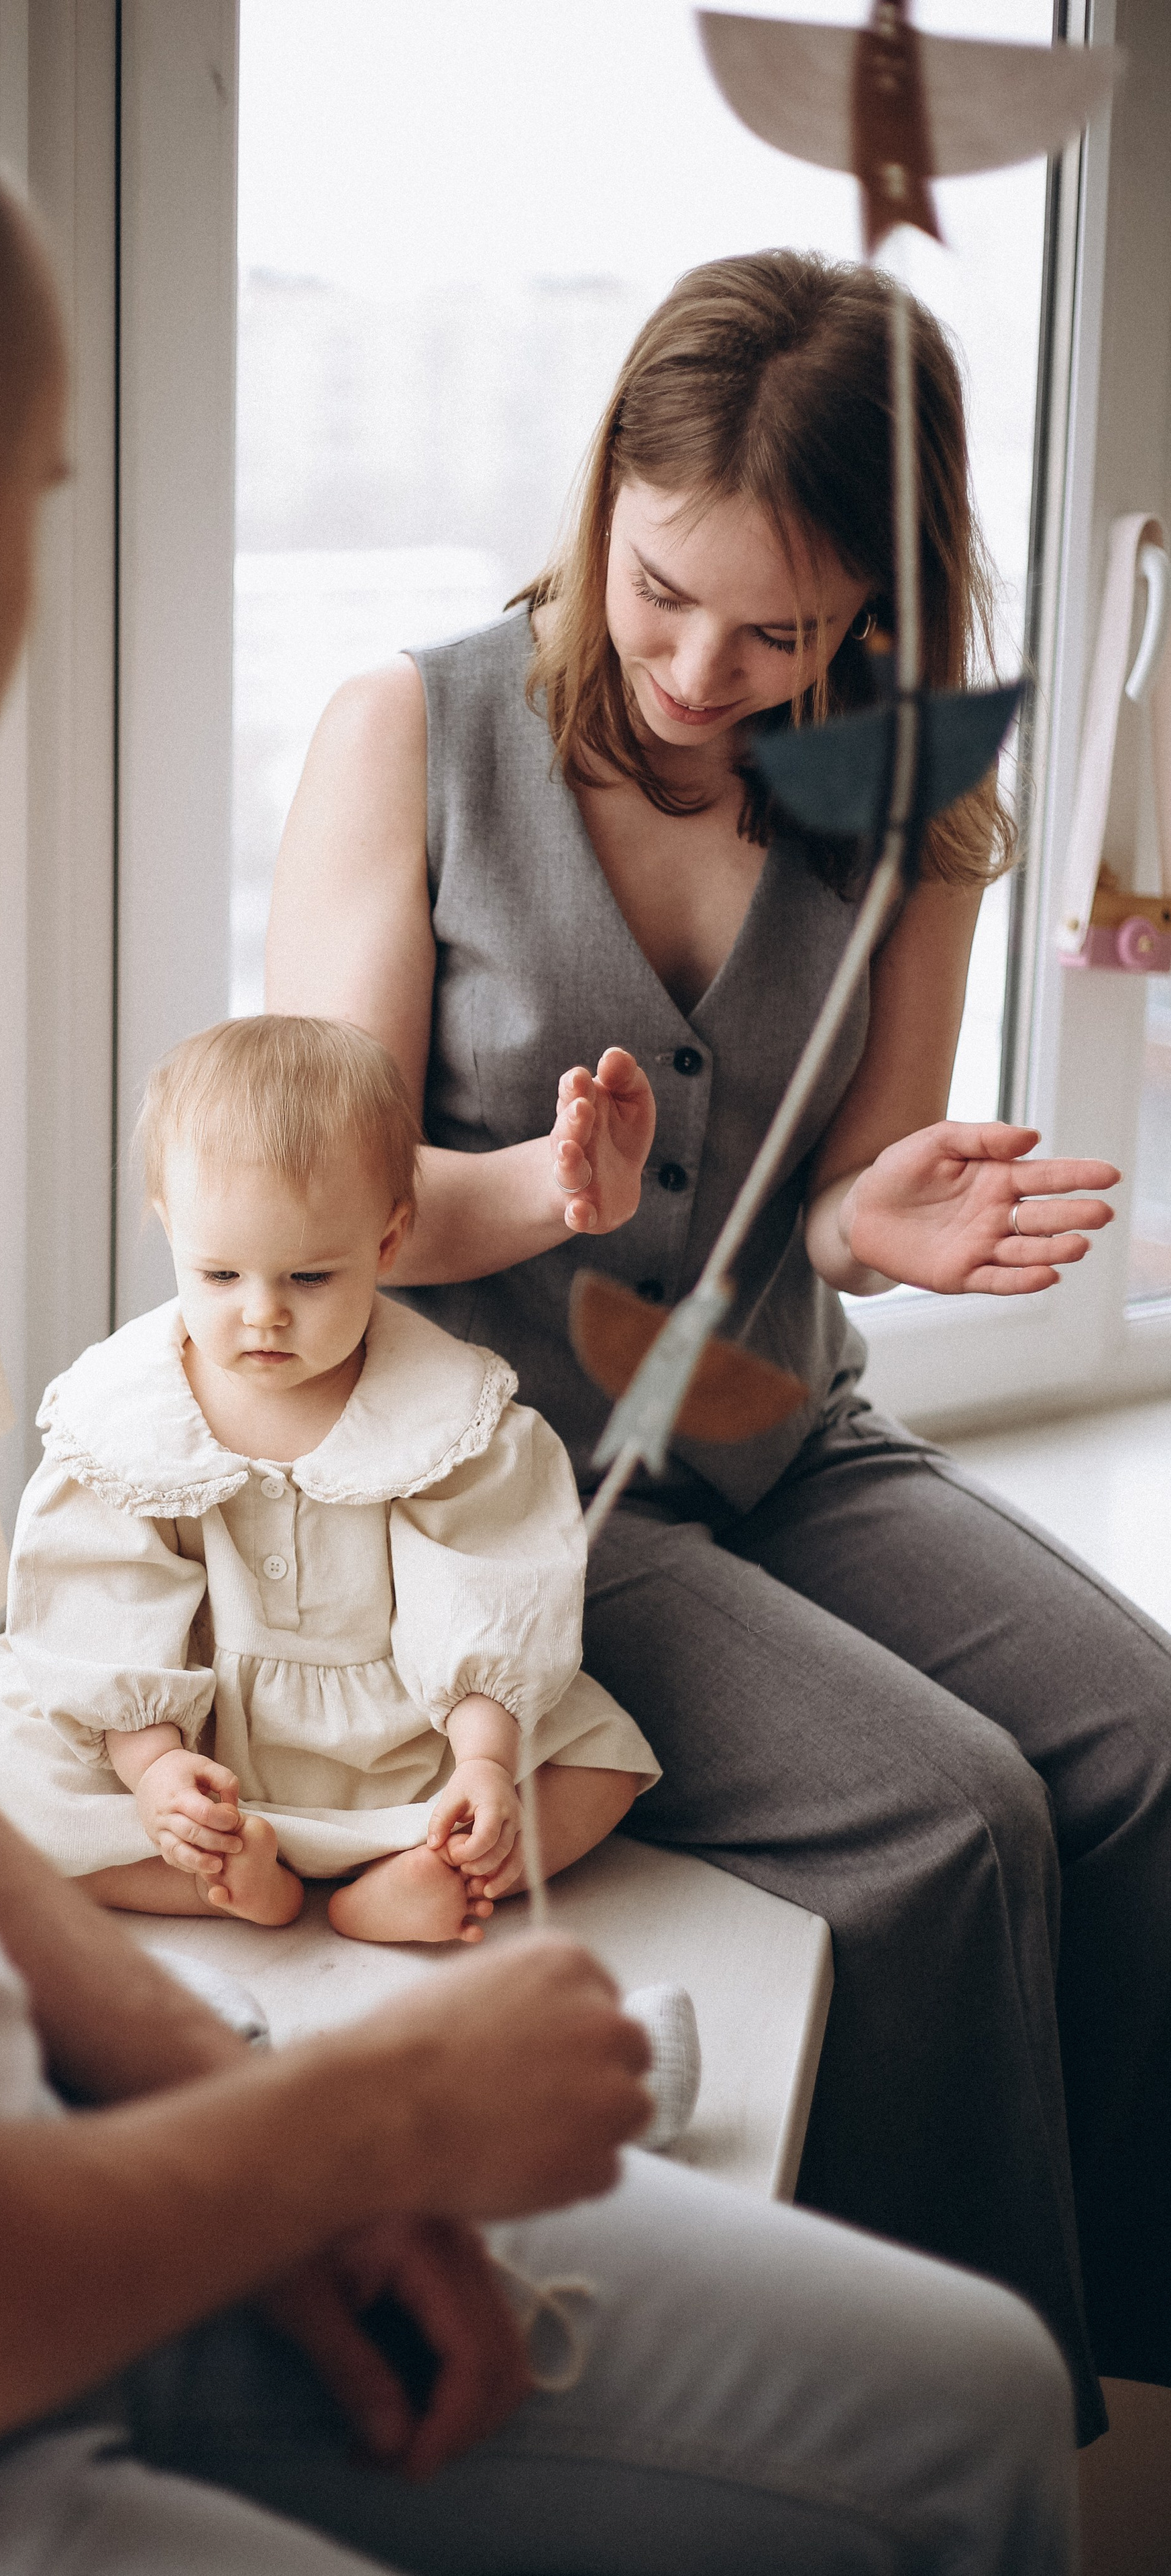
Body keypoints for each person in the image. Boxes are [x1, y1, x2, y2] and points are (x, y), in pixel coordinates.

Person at [0, 73, 1078, 2576]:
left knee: (970, 2408)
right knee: (943, 1932)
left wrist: (226, 2108)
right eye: (51, 507)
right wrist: (354, 2126)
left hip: (35, 2157)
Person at [265, 246, 1171, 2448]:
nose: (698, 669)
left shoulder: (918, 803)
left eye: (781, 633)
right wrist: (532, 1195)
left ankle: (1136, 2342)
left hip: (775, 1438)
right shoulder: (411, 733)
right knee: (954, 1825)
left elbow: (840, 1203)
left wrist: (882, 1222)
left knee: (1146, 1744)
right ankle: (950, 2426)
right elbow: (306, 1211)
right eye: (663, 590)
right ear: (603, 501)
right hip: (500, 1489)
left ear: (877, 608)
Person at [0, 1014, 658, 1945]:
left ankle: (415, 1875)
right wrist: (155, 1770)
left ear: (387, 1242)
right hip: (195, 1739)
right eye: (220, 1274)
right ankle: (224, 1875)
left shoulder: (442, 1411)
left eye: (311, 1278)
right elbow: (101, 1600)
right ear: (169, 1228)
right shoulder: (124, 1413)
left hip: (401, 1740)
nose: (263, 1314)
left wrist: (483, 1762)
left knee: (600, 1766)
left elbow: (487, 1587)